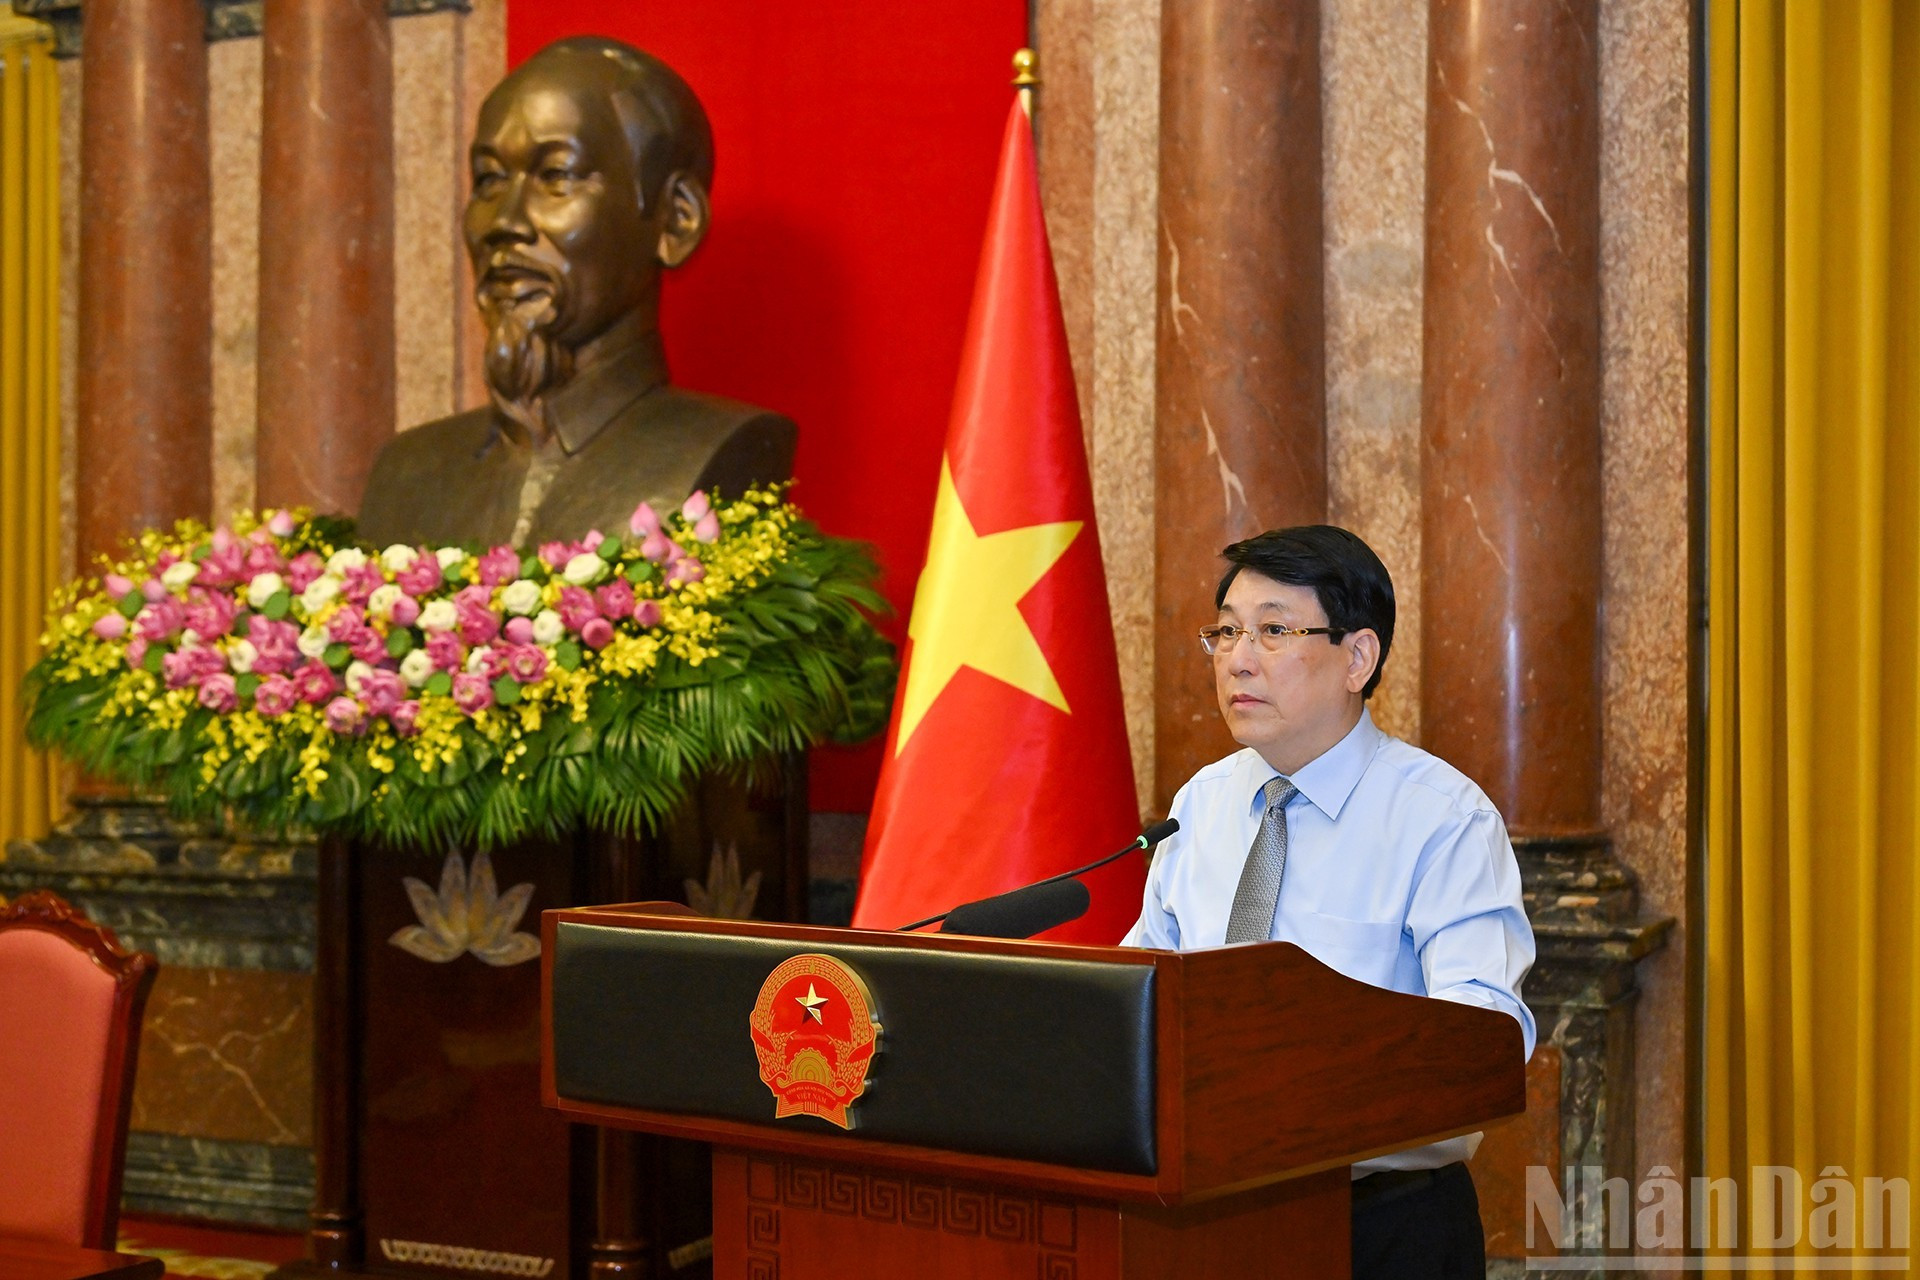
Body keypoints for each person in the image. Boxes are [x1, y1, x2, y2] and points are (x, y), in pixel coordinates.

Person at [1122, 524, 1535, 1280]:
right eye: (1226, 631)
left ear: (1358, 657)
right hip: (1203, 1220)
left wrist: (1300, 1104)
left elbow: (1483, 1039)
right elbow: (1139, 999)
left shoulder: (1442, 819)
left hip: (1380, 1226)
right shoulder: (1200, 806)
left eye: (1274, 629)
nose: (1238, 658)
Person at [358, 36, 795, 548]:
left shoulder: (721, 449)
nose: (504, 221)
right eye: (489, 179)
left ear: (676, 221)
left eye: (556, 175)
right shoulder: (407, 473)